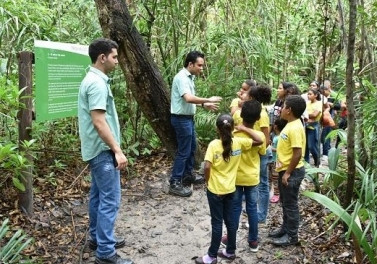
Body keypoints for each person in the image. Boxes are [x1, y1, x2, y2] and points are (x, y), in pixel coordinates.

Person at [78, 38, 133, 264]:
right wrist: (117, 150)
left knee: (98, 196)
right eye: (114, 57)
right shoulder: (97, 83)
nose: (117, 61)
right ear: (102, 57)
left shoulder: (93, 79)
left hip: (97, 149)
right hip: (103, 151)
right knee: (110, 200)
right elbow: (99, 122)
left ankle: (97, 239)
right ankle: (106, 253)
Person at [195, 114, 263, 264]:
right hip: (231, 189)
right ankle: (230, 251)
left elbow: (207, 166)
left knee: (217, 222)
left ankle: (211, 256)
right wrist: (244, 128)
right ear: (232, 128)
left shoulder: (214, 145)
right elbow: (259, 140)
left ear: (217, 129)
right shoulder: (238, 143)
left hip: (216, 190)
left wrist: (208, 181)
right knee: (231, 221)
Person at [169, 51, 222, 197]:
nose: (201, 68)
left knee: (191, 148)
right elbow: (188, 98)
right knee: (184, 151)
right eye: (199, 65)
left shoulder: (189, 77)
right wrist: (208, 100)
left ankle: (188, 175)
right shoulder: (181, 78)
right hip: (180, 119)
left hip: (187, 118)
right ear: (190, 64)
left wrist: (204, 105)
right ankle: (175, 182)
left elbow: (187, 101)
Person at [269, 95, 306, 247]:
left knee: (291, 204)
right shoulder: (290, 124)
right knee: (285, 203)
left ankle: (292, 236)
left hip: (292, 172)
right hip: (284, 169)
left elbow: (297, 152)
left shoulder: (296, 127)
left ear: (289, 110)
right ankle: (285, 229)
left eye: (283, 106)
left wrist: (288, 173)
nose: (281, 109)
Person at [233, 100, 266, 252]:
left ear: (241, 115)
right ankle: (253, 241)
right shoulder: (259, 136)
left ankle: (230, 238)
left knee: (235, 208)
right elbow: (262, 152)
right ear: (258, 118)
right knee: (252, 209)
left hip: (236, 177)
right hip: (252, 178)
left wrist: (241, 128)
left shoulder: (234, 133)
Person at [269, 118, 287, 203]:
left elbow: (279, 149)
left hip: (276, 161)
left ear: (275, 126)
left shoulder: (278, 138)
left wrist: (270, 148)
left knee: (274, 178)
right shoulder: (279, 136)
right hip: (274, 160)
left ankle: (276, 194)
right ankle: (274, 193)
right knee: (272, 177)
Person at [304, 88, 322, 167]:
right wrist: (308, 115)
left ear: (316, 95)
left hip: (314, 127)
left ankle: (317, 162)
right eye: (308, 94)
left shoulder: (318, 104)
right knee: (305, 146)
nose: (308, 95)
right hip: (306, 126)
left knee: (312, 146)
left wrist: (307, 115)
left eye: (310, 94)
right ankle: (306, 163)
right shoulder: (307, 103)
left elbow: (315, 115)